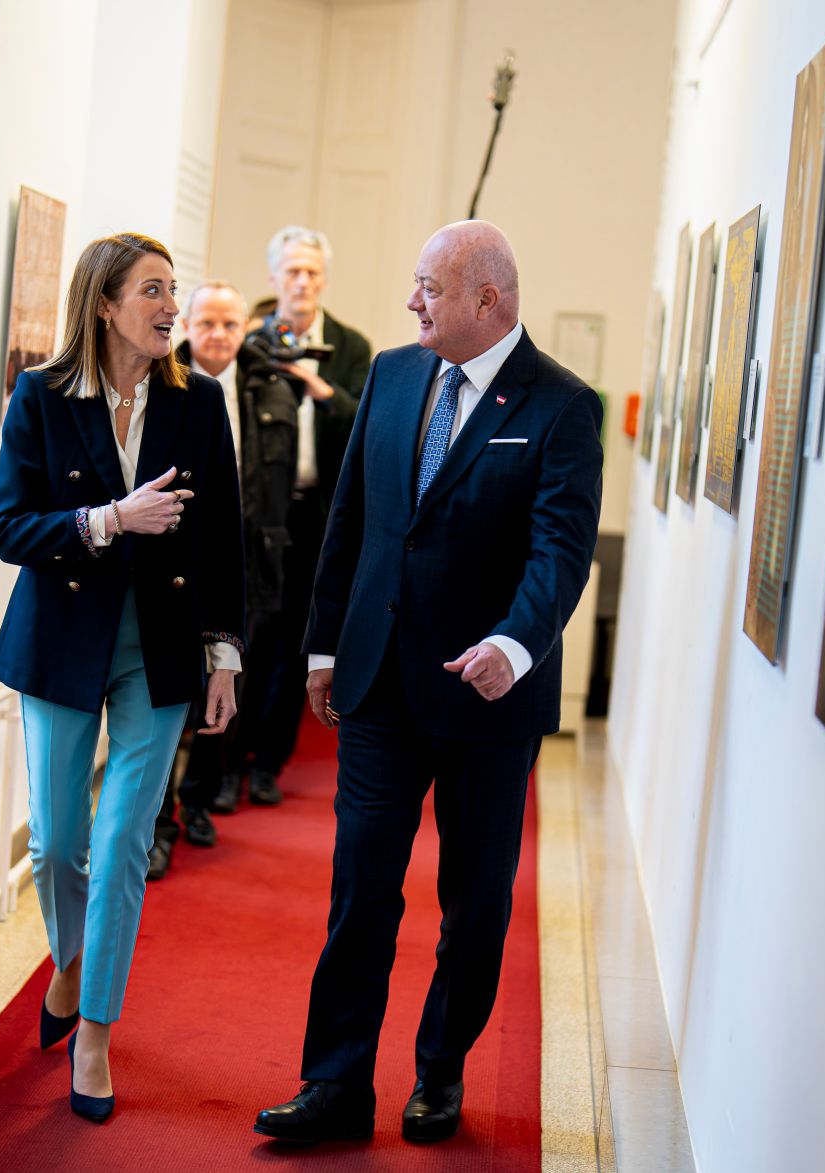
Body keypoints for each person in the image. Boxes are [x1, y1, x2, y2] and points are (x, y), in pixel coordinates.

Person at [254, 221, 603, 1144]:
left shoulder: (563, 405)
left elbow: (559, 553)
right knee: (360, 884)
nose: (412, 303)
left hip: (488, 699)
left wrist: (514, 645)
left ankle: (440, 1070)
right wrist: (324, 647)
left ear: (488, 301)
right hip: (377, 684)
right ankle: (333, 1082)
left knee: (473, 899)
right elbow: (355, 519)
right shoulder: (396, 375)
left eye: (428, 288)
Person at [0, 232, 245, 1123]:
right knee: (59, 841)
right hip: (61, 637)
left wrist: (225, 653)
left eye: (173, 289)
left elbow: (222, 539)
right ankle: (68, 967)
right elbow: (8, 526)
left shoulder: (199, 401)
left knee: (125, 840)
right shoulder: (42, 395)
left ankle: (93, 1029)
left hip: (163, 646)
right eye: (153, 291)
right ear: (104, 304)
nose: (172, 306)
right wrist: (108, 519)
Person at [231, 226, 371, 809]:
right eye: (292, 271)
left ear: (325, 279)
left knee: (297, 645)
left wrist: (317, 386)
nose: (302, 281)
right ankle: (224, 764)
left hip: (319, 515)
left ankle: (268, 762)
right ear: (273, 279)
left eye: (312, 271)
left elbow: (363, 425)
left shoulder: (352, 345)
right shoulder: (249, 343)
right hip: (258, 515)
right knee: (244, 642)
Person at [147, 280, 249, 880]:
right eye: (205, 322)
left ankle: (200, 799)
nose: (216, 334)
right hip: (165, 574)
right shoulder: (172, 386)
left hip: (234, 553)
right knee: (163, 709)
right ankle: (157, 827)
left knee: (218, 689)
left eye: (229, 324)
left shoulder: (255, 388)